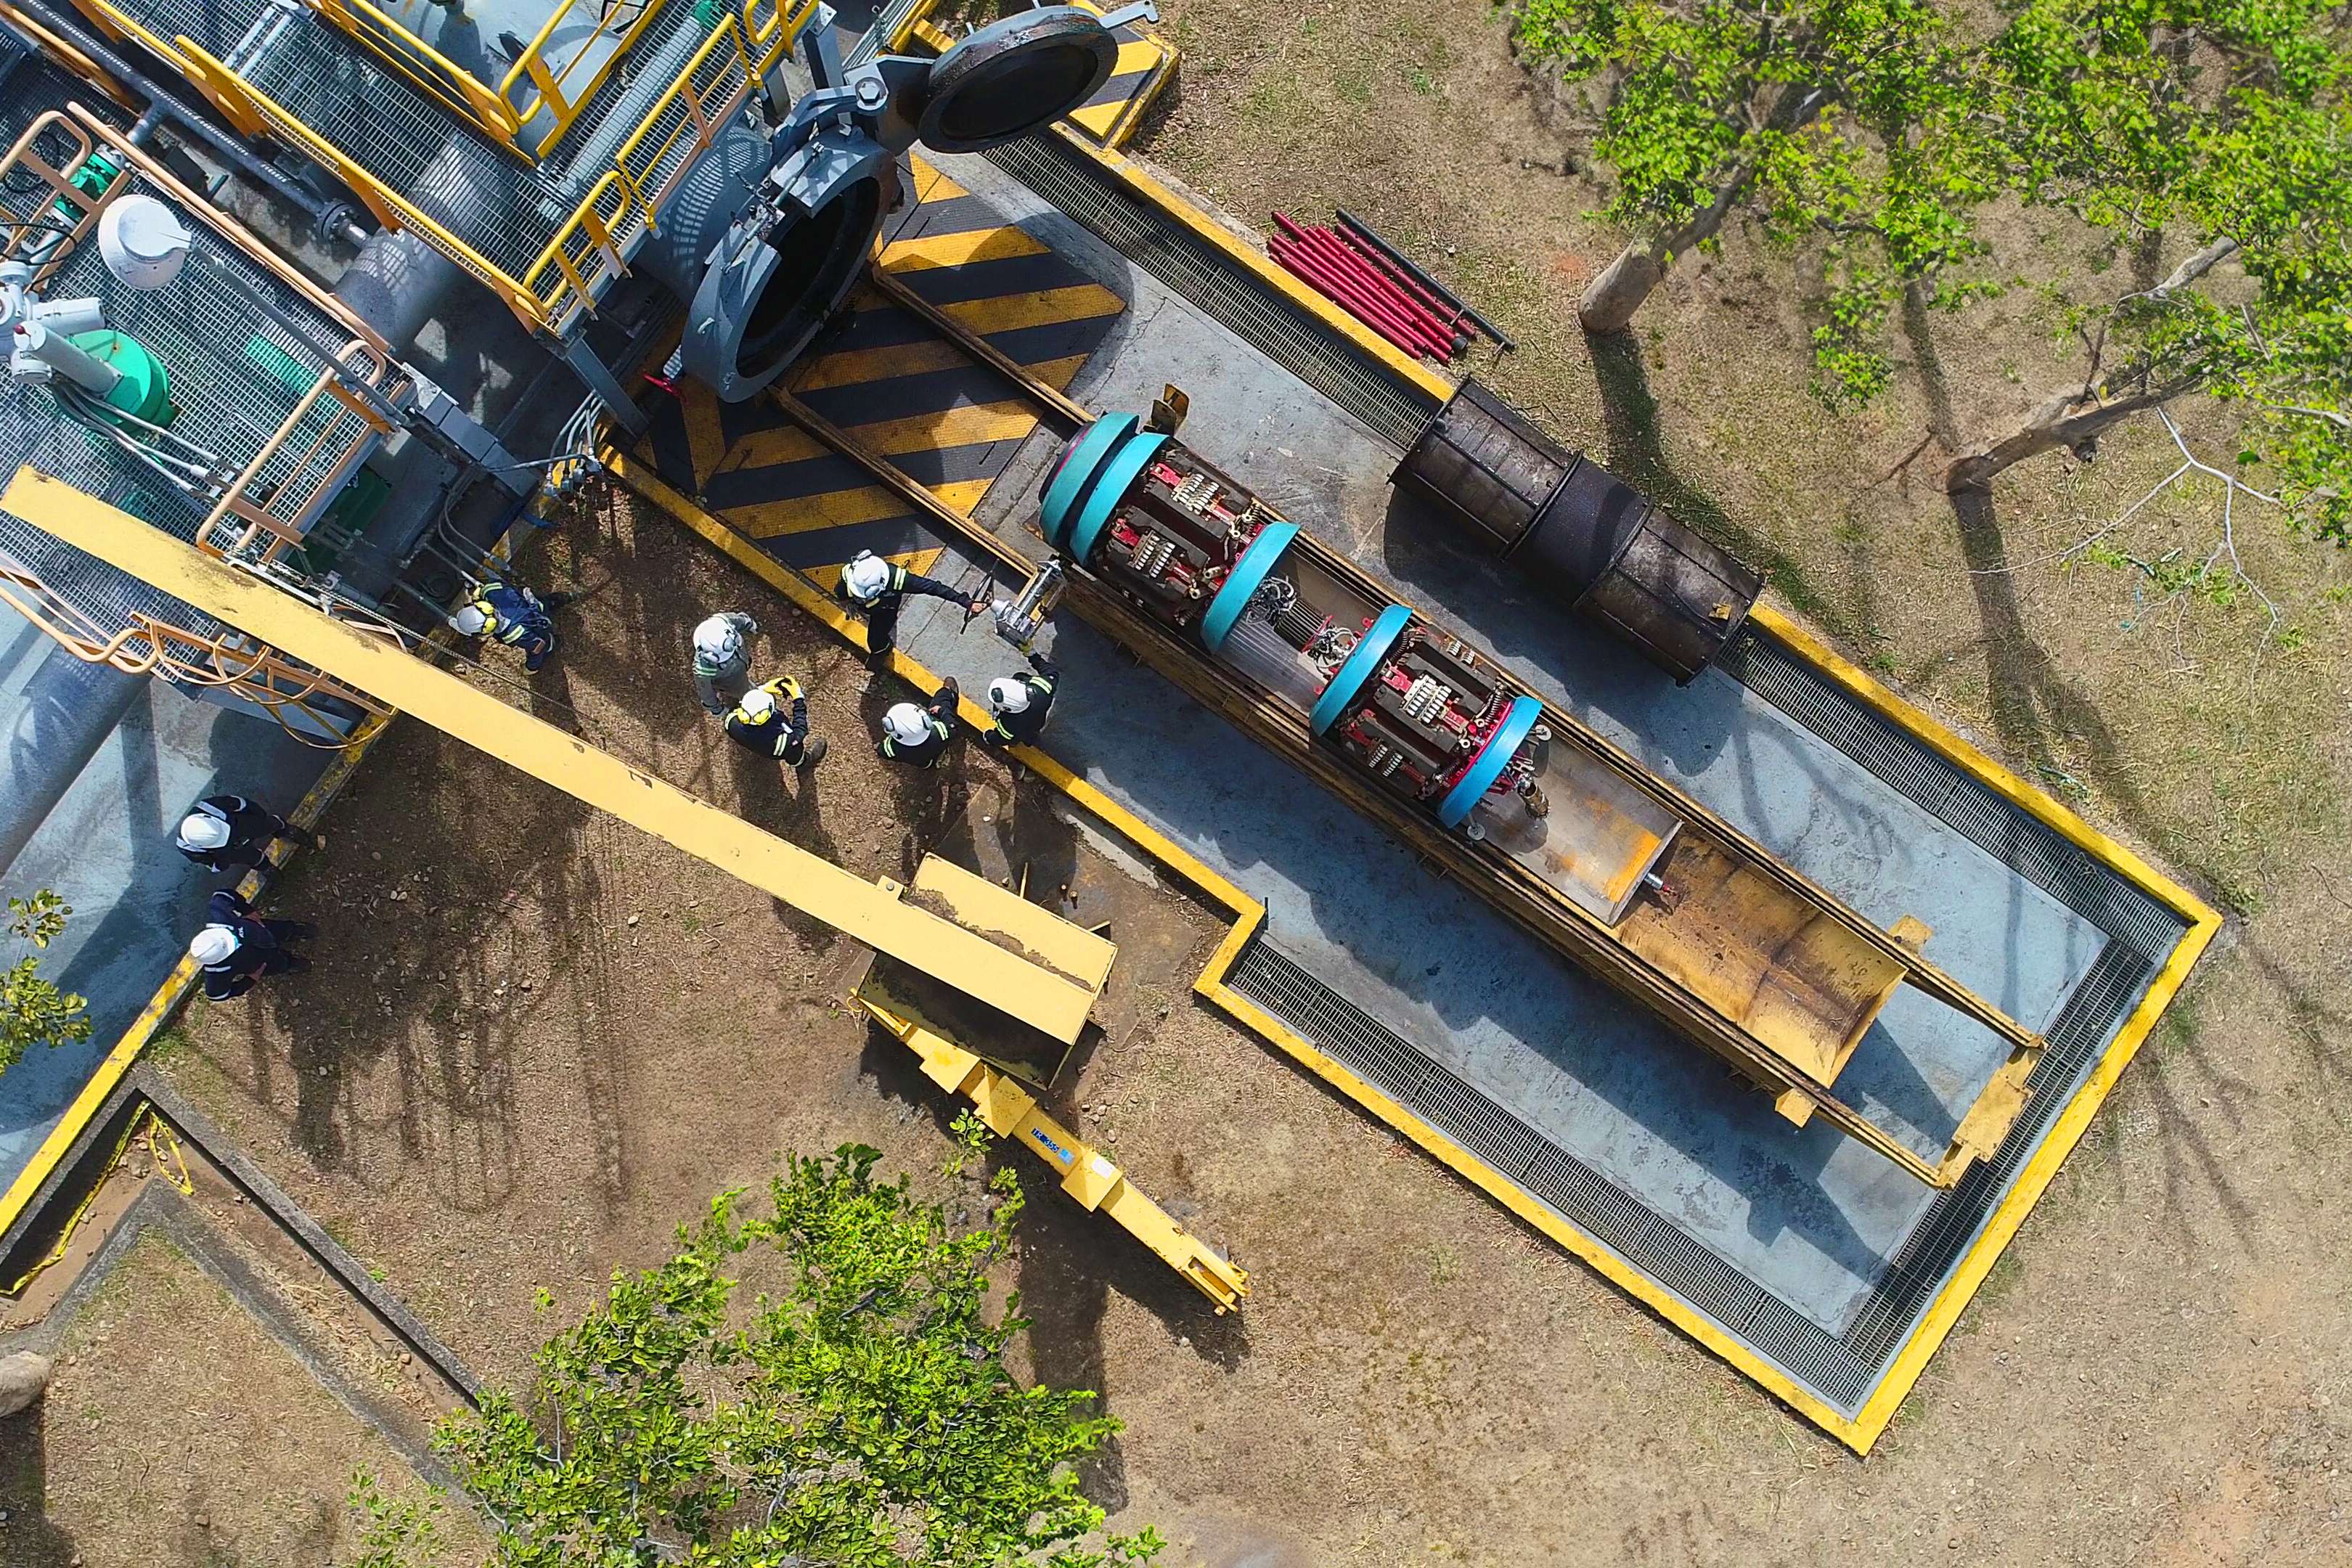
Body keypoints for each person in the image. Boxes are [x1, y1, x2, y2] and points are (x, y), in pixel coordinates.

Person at [835, 550, 985, 663]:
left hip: (886, 609)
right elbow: (841, 592)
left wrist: (966, 602)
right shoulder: (850, 576)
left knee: (875, 641)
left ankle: (883, 650)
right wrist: (848, 604)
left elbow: (932, 587)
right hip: (874, 605)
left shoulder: (899, 580)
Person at [189, 887, 313, 1000]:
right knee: (279, 963)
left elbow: (223, 895)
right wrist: (250, 980)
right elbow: (217, 995)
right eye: (233, 946)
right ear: (218, 960)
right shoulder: (217, 971)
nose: (238, 942)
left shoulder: (219, 918)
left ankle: (294, 931)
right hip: (262, 963)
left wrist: (247, 910)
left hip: (265, 930)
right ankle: (289, 963)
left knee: (282, 929)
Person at [449, 581, 571, 671]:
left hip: (540, 621)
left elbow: (537, 647)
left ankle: (554, 641)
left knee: (546, 644)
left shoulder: (514, 633)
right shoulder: (490, 591)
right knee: (544, 603)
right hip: (533, 601)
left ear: (486, 629)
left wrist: (531, 667)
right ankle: (561, 599)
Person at [174, 793, 302, 873]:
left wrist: (260, 817)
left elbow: (243, 804)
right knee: (251, 858)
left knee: (268, 825)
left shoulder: (210, 807)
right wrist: (225, 858)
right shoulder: (189, 849)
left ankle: (282, 829)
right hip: (230, 851)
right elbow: (215, 866)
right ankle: (265, 867)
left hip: (243, 825)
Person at [723, 676, 828, 769]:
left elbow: (741, 708)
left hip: (755, 744)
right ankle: (802, 763)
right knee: (795, 752)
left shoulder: (731, 722)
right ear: (766, 715)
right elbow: (800, 731)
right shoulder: (785, 740)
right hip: (775, 750)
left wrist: (762, 689)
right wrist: (799, 699)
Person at [973, 648, 1058, 750]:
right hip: (1038, 721)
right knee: (1020, 676)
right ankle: (1031, 740)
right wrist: (1032, 654)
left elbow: (1000, 739)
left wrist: (988, 736)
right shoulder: (1042, 689)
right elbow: (1052, 673)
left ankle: (1027, 740)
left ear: (1007, 709)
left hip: (1022, 729)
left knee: (1019, 737)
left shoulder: (1007, 725)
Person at [875, 679, 959, 769]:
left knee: (921, 760)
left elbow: (882, 752)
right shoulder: (939, 731)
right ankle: (949, 693)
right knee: (942, 702)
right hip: (936, 746)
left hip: (922, 761)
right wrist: (941, 710)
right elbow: (952, 727)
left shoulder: (890, 748)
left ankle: (926, 765)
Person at [692, 611, 759, 714]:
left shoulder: (724, 621)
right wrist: (716, 709)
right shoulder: (703, 669)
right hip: (732, 682)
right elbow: (706, 693)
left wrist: (749, 624)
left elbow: (739, 620)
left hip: (743, 661)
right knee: (748, 692)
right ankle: (751, 700)